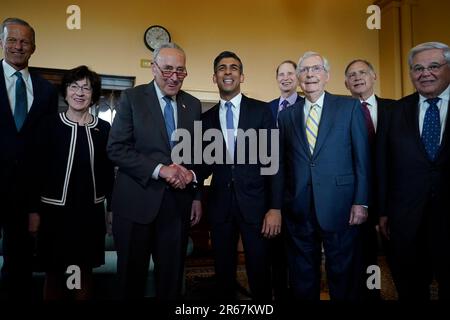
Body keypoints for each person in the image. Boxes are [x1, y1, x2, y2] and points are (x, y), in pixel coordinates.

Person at [107, 42, 202, 300]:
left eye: (180, 71)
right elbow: (116, 148)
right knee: (131, 281)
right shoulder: (132, 98)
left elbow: (199, 155)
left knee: (171, 282)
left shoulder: (192, 105)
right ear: (153, 68)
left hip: (176, 207)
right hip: (136, 204)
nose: (174, 77)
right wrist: (160, 170)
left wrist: (195, 190)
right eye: (168, 69)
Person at [275, 51, 370, 300]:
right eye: (304, 70)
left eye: (315, 69)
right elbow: (282, 165)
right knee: (302, 276)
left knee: (343, 275)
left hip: (341, 207)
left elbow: (362, 158)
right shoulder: (286, 117)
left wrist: (361, 201)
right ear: (298, 78)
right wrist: (282, 203)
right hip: (299, 209)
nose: (309, 74)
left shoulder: (349, 107)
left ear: (327, 76)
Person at [27, 65, 114, 300]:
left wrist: (111, 210)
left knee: (82, 272)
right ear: (65, 92)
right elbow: (34, 172)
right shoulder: (49, 126)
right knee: (55, 273)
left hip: (90, 214)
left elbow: (109, 173)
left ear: (93, 95)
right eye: (74, 86)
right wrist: (33, 210)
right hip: (54, 214)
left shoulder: (104, 129)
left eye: (86, 88)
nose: (80, 92)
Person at [200, 51, 280, 300]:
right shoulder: (205, 119)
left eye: (233, 68)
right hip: (220, 206)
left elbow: (273, 163)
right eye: (222, 68)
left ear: (241, 76)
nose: (228, 72)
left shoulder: (261, 111)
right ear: (214, 77)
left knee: (259, 270)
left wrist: (275, 208)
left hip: (256, 206)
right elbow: (202, 166)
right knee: (223, 273)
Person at [377, 42, 450, 300]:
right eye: (417, 68)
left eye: (433, 66)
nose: (425, 73)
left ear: (448, 68)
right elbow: (384, 164)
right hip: (406, 220)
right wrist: (383, 211)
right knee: (410, 287)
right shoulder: (394, 111)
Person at [0, 17, 58, 300]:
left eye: (25, 41)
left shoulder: (46, 91)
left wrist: (37, 206)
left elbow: (45, 152)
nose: (18, 46)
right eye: (12, 39)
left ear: (34, 48)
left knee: (18, 267)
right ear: (2, 43)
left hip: (24, 198)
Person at [344, 59, 395, 300]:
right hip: (355, 197)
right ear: (345, 83)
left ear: (374, 76)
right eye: (351, 75)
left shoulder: (395, 109)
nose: (357, 77)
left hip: (392, 195)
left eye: (362, 72)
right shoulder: (340, 112)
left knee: (399, 254)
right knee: (363, 253)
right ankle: (369, 295)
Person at [267, 60, 303, 300]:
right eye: (281, 74)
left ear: (298, 77)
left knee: (300, 251)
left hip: (300, 189)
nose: (286, 78)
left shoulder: (307, 105)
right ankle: (279, 294)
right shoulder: (266, 109)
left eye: (291, 73)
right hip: (272, 190)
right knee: (275, 251)